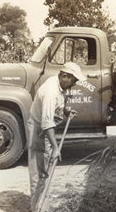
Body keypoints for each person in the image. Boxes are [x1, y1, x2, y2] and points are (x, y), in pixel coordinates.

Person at [27, 62, 85, 211]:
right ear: (64, 76)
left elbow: (57, 107)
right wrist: (55, 147)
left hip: (46, 127)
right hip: (39, 129)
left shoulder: (60, 84)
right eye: (73, 80)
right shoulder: (50, 91)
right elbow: (47, 123)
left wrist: (66, 111)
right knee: (38, 174)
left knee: (45, 170)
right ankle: (37, 209)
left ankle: (42, 205)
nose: (74, 84)